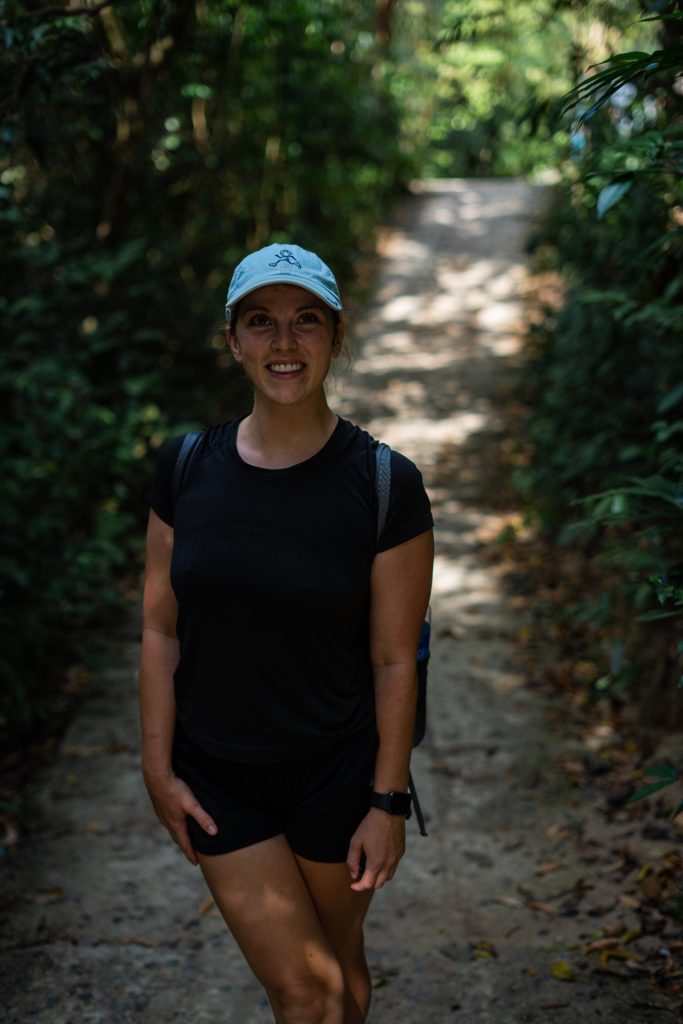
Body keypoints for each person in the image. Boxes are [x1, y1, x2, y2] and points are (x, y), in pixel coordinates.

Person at [139, 242, 434, 1024]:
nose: (283, 343)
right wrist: (156, 763)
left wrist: (387, 801)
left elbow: (393, 658)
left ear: (337, 336)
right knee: (305, 990)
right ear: (232, 340)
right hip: (218, 777)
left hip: (334, 774)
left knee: (337, 973)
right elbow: (160, 626)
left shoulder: (382, 483)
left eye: (306, 322)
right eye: (260, 322)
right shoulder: (185, 467)